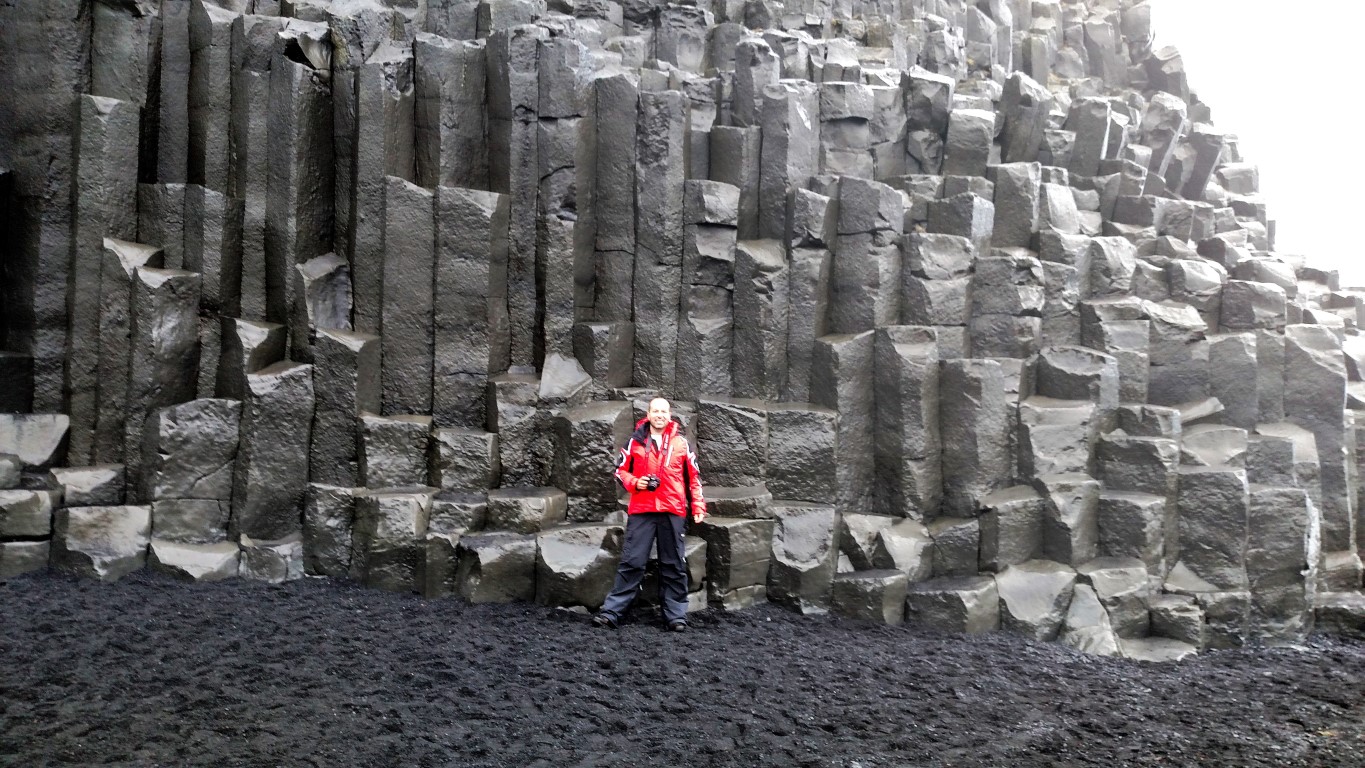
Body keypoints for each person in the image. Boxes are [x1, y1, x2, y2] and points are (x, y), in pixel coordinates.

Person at [593, 397, 707, 632]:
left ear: (670, 414)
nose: (660, 415)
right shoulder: (635, 442)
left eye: (664, 411)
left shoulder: (682, 443)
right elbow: (620, 472)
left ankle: (675, 615)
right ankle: (612, 612)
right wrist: (638, 483)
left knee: (673, 563)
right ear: (648, 413)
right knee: (632, 562)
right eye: (656, 411)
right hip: (642, 510)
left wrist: (698, 506)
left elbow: (693, 478)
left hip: (672, 510)